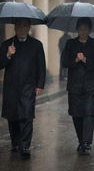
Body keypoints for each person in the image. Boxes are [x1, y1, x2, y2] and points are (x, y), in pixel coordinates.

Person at [0, 18, 46, 158]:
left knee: (26, 115)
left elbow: (41, 67)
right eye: (19, 26)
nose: (22, 29)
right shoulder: (7, 44)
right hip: (11, 86)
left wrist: (40, 84)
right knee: (12, 116)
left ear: (29, 28)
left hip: (28, 86)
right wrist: (8, 55)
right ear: (15, 28)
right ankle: (15, 142)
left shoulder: (36, 45)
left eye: (25, 26)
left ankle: (25, 146)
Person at [62, 18, 94, 155]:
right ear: (77, 30)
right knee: (76, 115)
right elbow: (64, 63)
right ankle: (81, 141)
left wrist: (85, 60)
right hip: (74, 86)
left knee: (89, 114)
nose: (83, 31)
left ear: (89, 30)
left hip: (90, 85)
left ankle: (86, 142)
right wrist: (75, 60)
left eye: (85, 29)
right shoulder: (70, 43)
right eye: (81, 29)